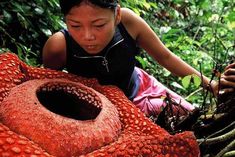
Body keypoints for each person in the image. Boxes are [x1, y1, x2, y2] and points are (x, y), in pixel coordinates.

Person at [42, 0, 235, 117]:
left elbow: (166, 58)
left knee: (192, 115)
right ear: (65, 20)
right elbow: (48, 91)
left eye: (98, 25)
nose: (88, 36)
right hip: (99, 111)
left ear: (116, 15)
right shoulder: (58, 47)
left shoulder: (128, 23)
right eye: (75, 26)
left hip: (143, 87)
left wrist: (212, 86)